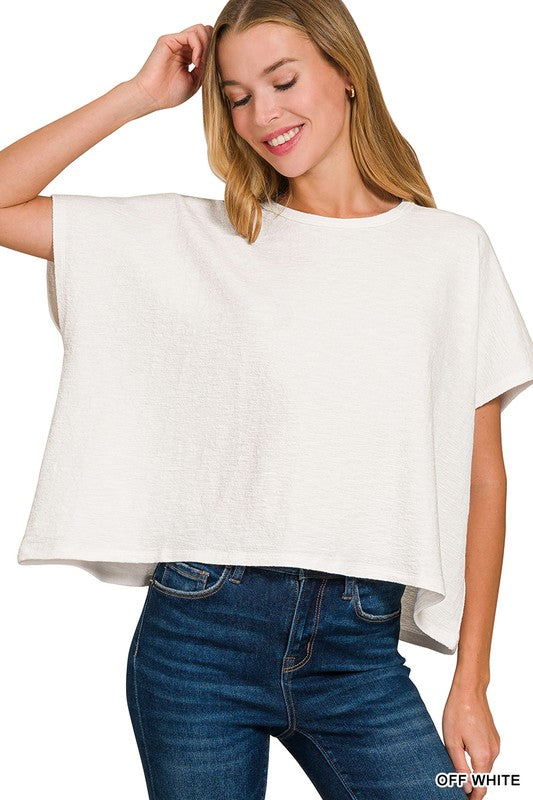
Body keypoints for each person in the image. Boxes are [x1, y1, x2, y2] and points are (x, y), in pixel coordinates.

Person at [1, 1, 532, 798]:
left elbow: (481, 479)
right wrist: (137, 95)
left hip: (360, 651)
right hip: (200, 638)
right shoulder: (197, 236)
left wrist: (472, 682)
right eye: (237, 97)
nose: (262, 115)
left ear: (345, 73)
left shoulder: (450, 251)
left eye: (282, 82)